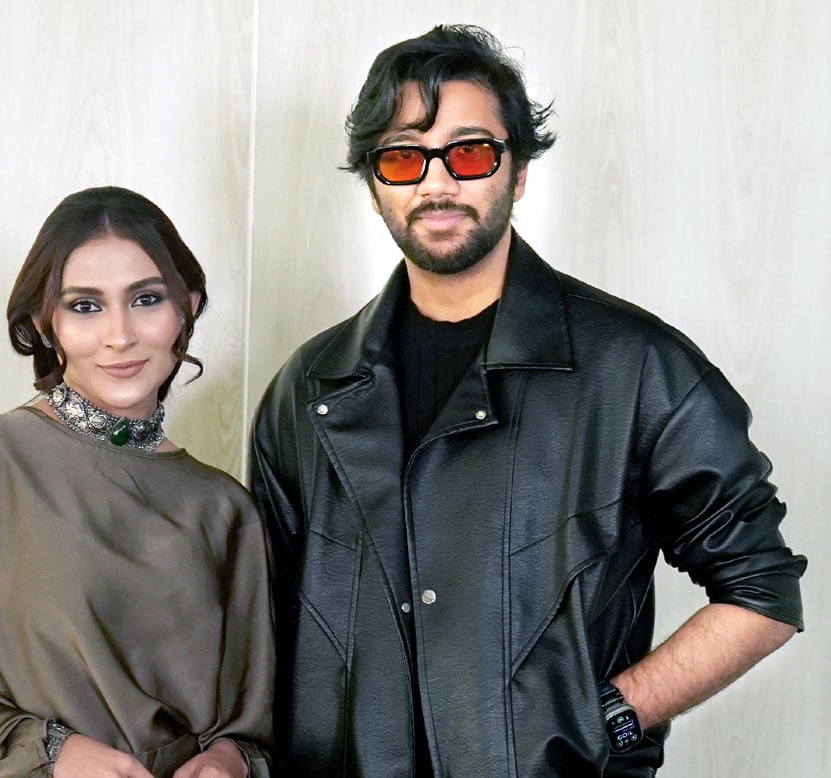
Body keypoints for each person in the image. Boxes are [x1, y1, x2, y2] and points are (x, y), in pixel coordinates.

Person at [249, 24, 806, 777]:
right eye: (404, 157)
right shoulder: (309, 387)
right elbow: (261, 621)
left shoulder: (635, 368)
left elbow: (761, 591)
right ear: (376, 186)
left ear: (517, 173)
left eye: (470, 153)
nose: (436, 184)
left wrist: (604, 719)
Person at [0, 186, 273, 777]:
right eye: (85, 306)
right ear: (44, 322)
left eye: (146, 299)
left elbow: (252, 724)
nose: (119, 335)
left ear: (187, 306)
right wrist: (52, 751)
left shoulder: (225, 508)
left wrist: (231, 759)